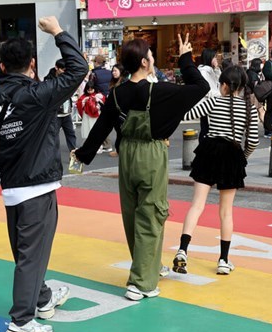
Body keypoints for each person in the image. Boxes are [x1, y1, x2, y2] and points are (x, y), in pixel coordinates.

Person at [0, 16, 86, 332]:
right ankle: (21, 320)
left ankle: (43, 298)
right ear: (31, 64)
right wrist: (58, 33)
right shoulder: (38, 94)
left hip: (13, 190)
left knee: (26, 253)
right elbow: (79, 70)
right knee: (31, 255)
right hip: (38, 187)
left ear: (3, 66)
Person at [74, 34, 209, 300]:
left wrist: (82, 154)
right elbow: (200, 86)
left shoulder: (116, 94)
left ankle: (149, 265)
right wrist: (184, 58)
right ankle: (140, 283)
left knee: (132, 213)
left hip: (127, 156)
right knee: (152, 214)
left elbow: (102, 127)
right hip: (151, 154)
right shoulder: (161, 92)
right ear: (146, 62)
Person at [172, 66, 260, 277]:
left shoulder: (213, 101)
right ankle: (223, 260)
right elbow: (254, 140)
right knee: (226, 212)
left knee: (197, 205)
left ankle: (183, 250)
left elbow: (189, 114)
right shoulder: (250, 109)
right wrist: (243, 158)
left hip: (209, 150)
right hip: (232, 154)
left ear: (223, 85)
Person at [45, 59, 77, 152]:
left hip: (66, 112)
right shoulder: (49, 80)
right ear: (56, 68)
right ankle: (52, 155)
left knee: (71, 133)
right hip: (55, 113)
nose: (64, 71)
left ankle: (73, 153)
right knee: (53, 135)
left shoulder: (67, 77)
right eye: (62, 69)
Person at [197, 48, 221, 140]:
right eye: (214, 57)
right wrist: (220, 94)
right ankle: (203, 149)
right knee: (206, 129)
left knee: (208, 129)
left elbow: (219, 82)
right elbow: (206, 90)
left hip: (212, 103)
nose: (216, 59)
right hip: (207, 104)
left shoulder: (211, 70)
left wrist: (217, 69)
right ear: (209, 58)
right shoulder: (204, 72)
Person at [76, 82, 104, 150]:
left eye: (91, 89)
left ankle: (97, 146)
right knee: (87, 129)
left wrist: (98, 100)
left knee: (95, 130)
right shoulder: (84, 96)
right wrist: (83, 101)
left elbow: (103, 103)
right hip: (87, 116)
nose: (90, 91)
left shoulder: (98, 95)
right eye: (88, 90)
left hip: (95, 115)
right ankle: (89, 146)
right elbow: (79, 104)